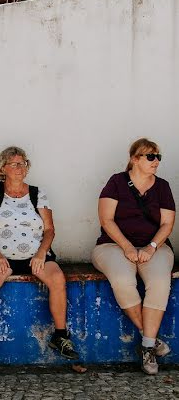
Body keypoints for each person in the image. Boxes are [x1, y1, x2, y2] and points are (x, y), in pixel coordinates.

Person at [0, 147, 78, 363]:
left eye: (23, 163)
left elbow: (49, 229)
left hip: (34, 255)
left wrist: (41, 253)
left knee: (58, 278)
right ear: (3, 168)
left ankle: (60, 335)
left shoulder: (38, 194)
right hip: (0, 255)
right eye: (14, 163)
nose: (20, 167)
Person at [92, 138, 174, 375]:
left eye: (158, 157)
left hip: (154, 247)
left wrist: (151, 247)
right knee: (122, 279)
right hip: (113, 246)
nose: (156, 161)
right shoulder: (117, 182)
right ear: (134, 159)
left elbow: (167, 223)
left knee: (159, 281)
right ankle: (150, 338)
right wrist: (127, 246)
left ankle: (147, 346)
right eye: (150, 156)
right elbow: (106, 219)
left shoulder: (163, 186)